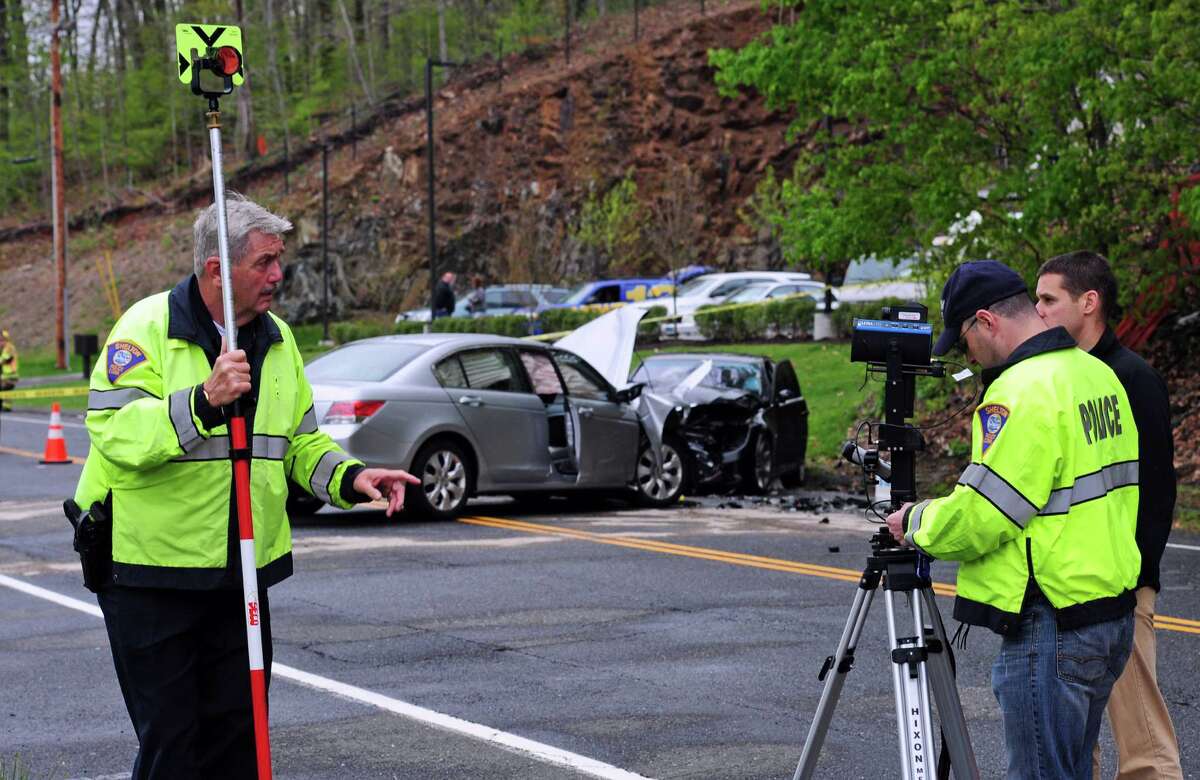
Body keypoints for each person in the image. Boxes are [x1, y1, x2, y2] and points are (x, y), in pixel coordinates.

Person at [72, 193, 419, 779]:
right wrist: (204, 400)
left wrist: (353, 476)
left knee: (240, 739)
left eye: (278, 259)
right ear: (217, 271)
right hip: (147, 573)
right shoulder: (146, 328)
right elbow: (117, 433)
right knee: (174, 745)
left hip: (239, 573)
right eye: (264, 262)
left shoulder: (277, 339)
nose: (278, 275)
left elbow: (298, 444)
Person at [884, 259, 1140, 779]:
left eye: (963, 340)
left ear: (986, 320)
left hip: (1052, 620)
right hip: (1107, 613)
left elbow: (983, 516)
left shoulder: (1021, 390)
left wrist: (916, 521)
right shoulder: (1099, 375)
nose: (967, 353)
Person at [1035, 251, 1181, 780]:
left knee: (1141, 738)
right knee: (1077, 742)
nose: (1039, 309)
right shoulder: (1060, 377)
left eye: (1049, 299)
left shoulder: (1134, 379)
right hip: (1069, 586)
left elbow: (1158, 491)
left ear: (1088, 302)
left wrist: (1135, 580)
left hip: (1122, 583)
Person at [0, 328, 18, 412]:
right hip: (6, 375)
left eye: (1, 340)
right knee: (5, 391)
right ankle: (6, 406)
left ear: (5, 340)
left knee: (5, 390)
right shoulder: (6, 348)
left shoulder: (8, 348)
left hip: (10, 375)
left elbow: (4, 360)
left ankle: (6, 407)